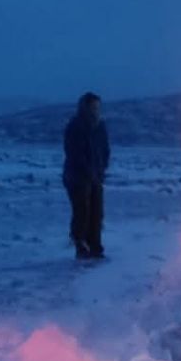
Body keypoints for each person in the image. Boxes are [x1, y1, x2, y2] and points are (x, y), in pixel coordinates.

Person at [62, 92, 111, 259]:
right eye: (92, 107)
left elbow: (105, 149)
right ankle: (80, 244)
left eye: (97, 107)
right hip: (77, 177)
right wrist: (87, 170)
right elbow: (74, 152)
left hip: (96, 175)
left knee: (97, 211)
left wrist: (102, 167)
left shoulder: (100, 126)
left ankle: (95, 245)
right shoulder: (76, 126)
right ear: (85, 107)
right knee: (82, 211)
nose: (95, 110)